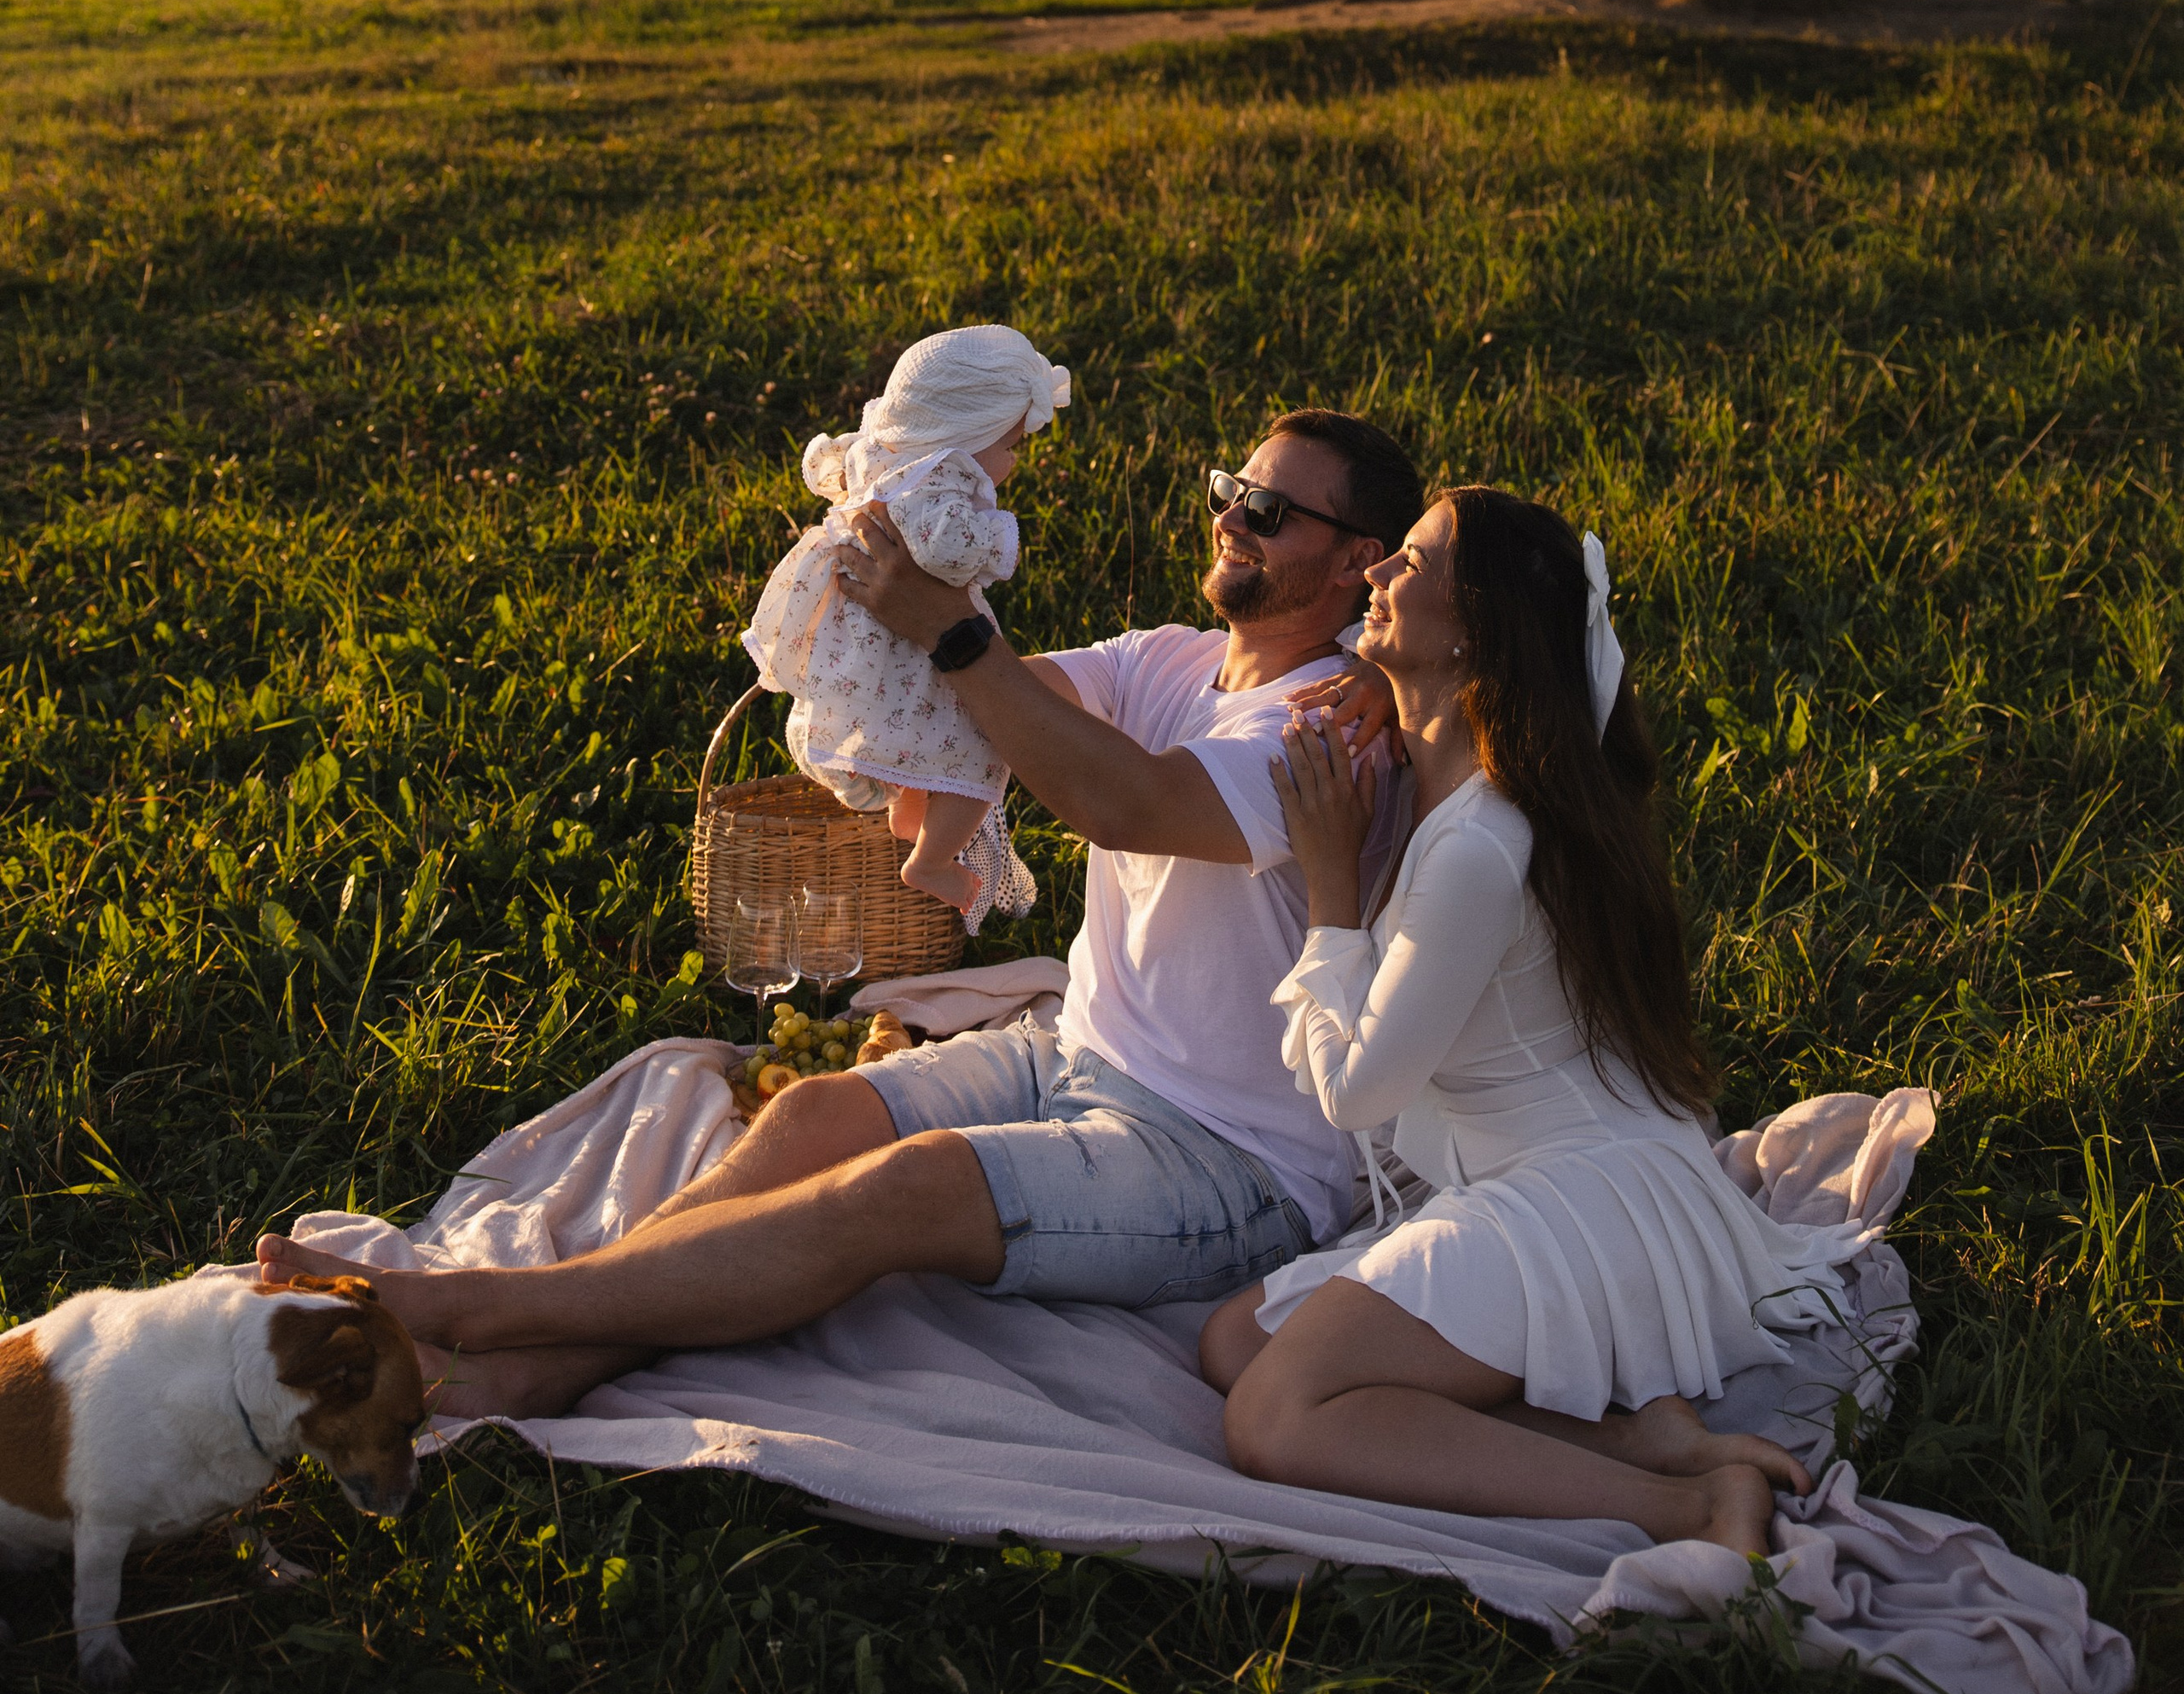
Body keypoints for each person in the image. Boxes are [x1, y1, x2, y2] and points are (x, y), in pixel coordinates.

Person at [258, 410, 1424, 1419]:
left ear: (1358, 561)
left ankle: (459, 1310)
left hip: (1229, 1164)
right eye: (1233, 489)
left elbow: (1124, 803)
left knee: (896, 1197)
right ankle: (537, 1367)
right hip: (1081, 1055)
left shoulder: (1327, 728)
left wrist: (955, 630)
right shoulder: (1167, 659)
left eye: (1269, 509)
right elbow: (982, 714)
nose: (1232, 516)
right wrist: (909, 528)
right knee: (816, 1119)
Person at [1198, 486, 1867, 1553]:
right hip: (1583, 1178)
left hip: (1579, 1202)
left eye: (1406, 565)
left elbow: (1356, 1093)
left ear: (1475, 628)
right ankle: (1630, 1443)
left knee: (1274, 1412)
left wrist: (1330, 890)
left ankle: (1686, 1508)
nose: (1372, 576)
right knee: (1239, 1340)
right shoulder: (1472, 785)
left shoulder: (1480, 839)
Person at [741, 325, 1067, 921]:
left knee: (929, 740)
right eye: (1013, 444)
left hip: (869, 647)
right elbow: (946, 550)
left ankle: (912, 810)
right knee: (985, 746)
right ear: (972, 435)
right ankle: (931, 860)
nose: (1014, 461)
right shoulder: (941, 479)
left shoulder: (886, 456)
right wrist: (996, 533)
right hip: (904, 651)